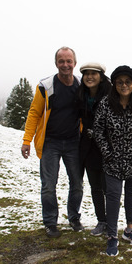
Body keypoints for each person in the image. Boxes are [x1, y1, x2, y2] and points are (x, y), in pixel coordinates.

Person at [21, 46, 84, 238]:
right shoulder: (46, 86)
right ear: (56, 63)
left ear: (74, 63)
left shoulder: (81, 86)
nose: (65, 65)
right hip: (50, 143)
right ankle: (50, 222)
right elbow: (34, 113)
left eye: (69, 61)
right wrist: (27, 140)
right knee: (48, 185)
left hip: (74, 142)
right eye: (61, 61)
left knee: (77, 184)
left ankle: (74, 218)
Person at [93, 65, 132, 256]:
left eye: (128, 82)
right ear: (114, 84)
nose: (124, 85)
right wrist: (107, 152)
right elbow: (98, 130)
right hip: (112, 162)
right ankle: (112, 236)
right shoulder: (106, 104)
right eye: (120, 82)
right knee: (112, 197)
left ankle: (130, 230)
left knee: (131, 195)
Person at [75, 62, 111, 236]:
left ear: (101, 76)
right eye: (86, 73)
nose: (89, 76)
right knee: (95, 187)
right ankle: (102, 221)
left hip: (106, 149)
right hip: (88, 148)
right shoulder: (81, 95)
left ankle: (111, 223)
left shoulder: (111, 95)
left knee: (109, 188)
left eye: (93, 73)